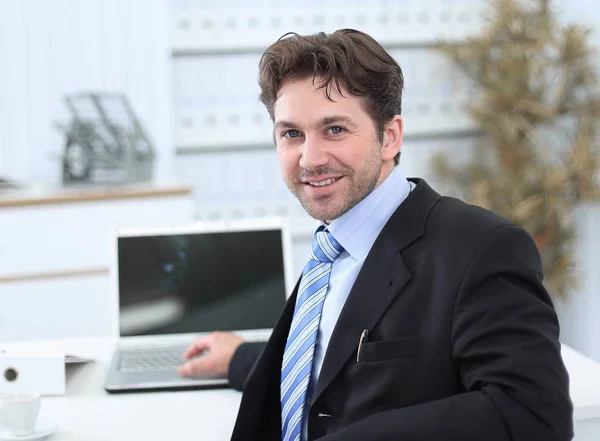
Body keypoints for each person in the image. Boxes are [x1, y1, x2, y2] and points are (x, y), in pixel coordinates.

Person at [183, 28, 574, 441]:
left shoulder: (481, 249)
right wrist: (241, 358)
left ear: (390, 137)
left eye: (335, 129)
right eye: (292, 134)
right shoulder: (331, 249)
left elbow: (532, 414)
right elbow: (334, 361)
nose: (310, 159)